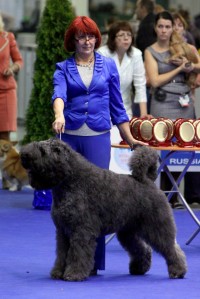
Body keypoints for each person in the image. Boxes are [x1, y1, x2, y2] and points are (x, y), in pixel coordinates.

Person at [51, 16, 147, 275]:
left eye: (91, 36)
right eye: (81, 37)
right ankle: (67, 261)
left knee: (96, 202)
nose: (87, 41)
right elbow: (59, 94)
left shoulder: (108, 67)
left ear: (97, 38)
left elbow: (117, 106)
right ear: (73, 40)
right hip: (69, 138)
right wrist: (59, 115)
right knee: (67, 204)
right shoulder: (63, 68)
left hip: (98, 137)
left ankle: (92, 264)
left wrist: (129, 138)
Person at [144, 11, 200, 208]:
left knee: (184, 148)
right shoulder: (150, 51)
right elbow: (155, 81)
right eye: (161, 26)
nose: (164, 30)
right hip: (162, 101)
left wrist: (190, 66)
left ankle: (182, 198)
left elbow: (197, 65)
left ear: (172, 28)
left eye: (168, 26)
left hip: (184, 102)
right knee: (163, 150)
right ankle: (164, 199)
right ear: (155, 28)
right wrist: (179, 69)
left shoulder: (183, 47)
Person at [173, 12, 200, 207]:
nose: (176, 28)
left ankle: (194, 195)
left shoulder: (190, 46)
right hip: (169, 101)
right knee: (172, 150)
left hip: (188, 99)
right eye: (173, 25)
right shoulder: (165, 49)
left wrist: (191, 69)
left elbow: (197, 66)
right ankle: (172, 196)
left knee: (192, 146)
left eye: (179, 25)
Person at [98, 20, 148, 120]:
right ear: (112, 38)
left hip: (125, 109)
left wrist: (144, 114)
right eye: (121, 35)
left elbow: (140, 85)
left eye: (129, 35)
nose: (126, 38)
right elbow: (99, 86)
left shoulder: (136, 54)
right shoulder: (102, 53)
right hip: (103, 110)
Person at [0, 14, 23, 190]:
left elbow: (19, 60)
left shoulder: (8, 38)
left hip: (6, 90)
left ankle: (7, 176)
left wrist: (12, 68)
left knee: (5, 136)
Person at [135, 0, 157, 114]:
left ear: (143, 8)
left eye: (137, 7)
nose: (136, 11)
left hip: (148, 74)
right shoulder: (153, 21)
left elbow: (148, 51)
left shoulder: (146, 25)